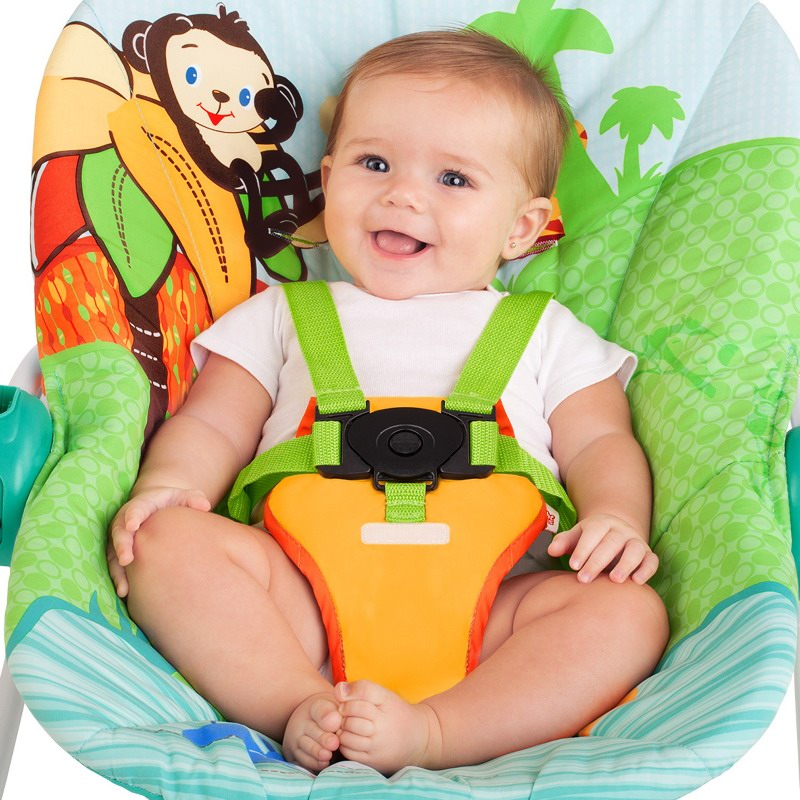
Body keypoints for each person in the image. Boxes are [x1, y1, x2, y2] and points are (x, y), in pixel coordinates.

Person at [108, 28, 669, 775]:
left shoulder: (546, 330)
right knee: (161, 543)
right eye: (374, 164)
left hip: (497, 617)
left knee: (628, 611)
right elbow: (212, 420)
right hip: (299, 607)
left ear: (522, 227)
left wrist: (616, 517)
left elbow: (601, 441)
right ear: (329, 179)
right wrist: (169, 486)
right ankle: (296, 704)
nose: (402, 194)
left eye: (454, 179)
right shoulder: (282, 314)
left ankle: (440, 731)